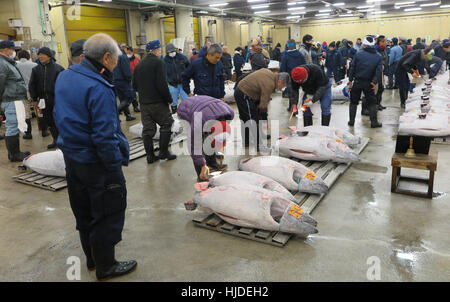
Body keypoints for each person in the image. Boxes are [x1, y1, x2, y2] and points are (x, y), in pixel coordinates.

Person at [54, 33, 136, 281]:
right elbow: (104, 135)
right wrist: (113, 168)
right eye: (116, 60)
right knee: (107, 211)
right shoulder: (99, 87)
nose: (116, 65)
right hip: (95, 161)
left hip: (72, 158)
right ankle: (106, 266)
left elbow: (58, 115)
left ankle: (92, 260)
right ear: (107, 57)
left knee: (84, 209)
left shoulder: (66, 75)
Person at [133, 40, 177, 164]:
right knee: (166, 124)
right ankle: (163, 153)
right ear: (155, 50)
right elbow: (162, 84)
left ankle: (150, 156)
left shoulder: (139, 65)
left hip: (144, 104)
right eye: (160, 50)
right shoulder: (159, 63)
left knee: (148, 130)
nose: (161, 52)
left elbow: (134, 85)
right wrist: (168, 99)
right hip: (158, 102)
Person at [177, 95, 235, 181]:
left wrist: (220, 146)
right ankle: (201, 176)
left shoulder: (230, 113)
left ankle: (211, 164)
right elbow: (194, 147)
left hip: (204, 106)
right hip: (185, 109)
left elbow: (221, 135)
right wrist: (202, 165)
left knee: (210, 141)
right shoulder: (198, 121)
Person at [235, 69, 290, 149]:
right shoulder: (269, 84)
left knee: (249, 117)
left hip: (249, 92)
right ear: (280, 81)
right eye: (283, 86)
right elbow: (263, 105)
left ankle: (247, 141)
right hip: (244, 93)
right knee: (252, 119)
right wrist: (264, 120)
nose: (282, 89)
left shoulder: (270, 74)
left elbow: (262, 101)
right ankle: (258, 145)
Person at [0, 40, 30, 161]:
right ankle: (14, 154)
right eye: (12, 49)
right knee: (12, 126)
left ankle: (15, 152)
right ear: (6, 49)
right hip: (11, 98)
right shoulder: (2, 63)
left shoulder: (7, 62)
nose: (14, 52)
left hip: (14, 98)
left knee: (15, 125)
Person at [29, 47, 65, 149]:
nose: (40, 56)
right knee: (49, 121)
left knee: (60, 120)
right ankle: (56, 140)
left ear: (49, 56)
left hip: (58, 99)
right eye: (39, 55)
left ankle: (65, 140)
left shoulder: (59, 68)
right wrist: (35, 99)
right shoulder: (35, 69)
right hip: (43, 100)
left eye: (42, 54)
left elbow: (65, 84)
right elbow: (32, 85)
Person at [347, 36, 383, 128]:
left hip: (357, 82)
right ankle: (374, 123)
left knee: (353, 102)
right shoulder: (378, 56)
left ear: (365, 45)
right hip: (369, 83)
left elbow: (352, 67)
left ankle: (351, 121)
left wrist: (350, 80)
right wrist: (374, 82)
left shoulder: (358, 54)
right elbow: (378, 71)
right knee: (372, 103)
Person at [16, 50, 37, 140]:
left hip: (22, 91)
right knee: (39, 110)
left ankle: (28, 133)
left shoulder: (15, 65)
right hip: (34, 90)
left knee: (26, 112)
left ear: (18, 56)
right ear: (28, 56)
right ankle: (44, 131)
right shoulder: (34, 65)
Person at [163, 43, 189, 114]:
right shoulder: (164, 61)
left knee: (186, 99)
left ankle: (186, 113)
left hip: (183, 83)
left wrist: (187, 77)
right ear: (167, 52)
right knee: (173, 100)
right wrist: (167, 80)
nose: (172, 53)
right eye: (170, 52)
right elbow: (162, 73)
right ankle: (174, 112)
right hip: (172, 84)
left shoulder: (182, 57)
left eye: (173, 51)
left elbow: (189, 66)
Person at [113, 44, 136, 121]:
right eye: (126, 48)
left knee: (122, 99)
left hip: (115, 81)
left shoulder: (114, 56)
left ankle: (128, 115)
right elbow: (127, 70)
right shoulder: (123, 56)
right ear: (123, 48)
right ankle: (116, 112)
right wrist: (129, 79)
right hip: (123, 81)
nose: (127, 50)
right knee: (130, 96)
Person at [125, 46, 141, 113]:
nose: (128, 53)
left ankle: (141, 104)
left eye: (129, 52)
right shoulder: (125, 60)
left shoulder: (136, 59)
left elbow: (140, 67)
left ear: (132, 52)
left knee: (140, 93)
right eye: (127, 52)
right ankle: (135, 107)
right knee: (133, 93)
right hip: (129, 79)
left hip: (138, 78)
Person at [374, 35, 388, 111]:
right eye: (385, 41)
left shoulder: (383, 49)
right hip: (377, 73)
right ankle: (375, 104)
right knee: (378, 89)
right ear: (381, 42)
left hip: (382, 72)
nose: (386, 43)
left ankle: (378, 104)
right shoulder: (376, 50)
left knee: (381, 88)